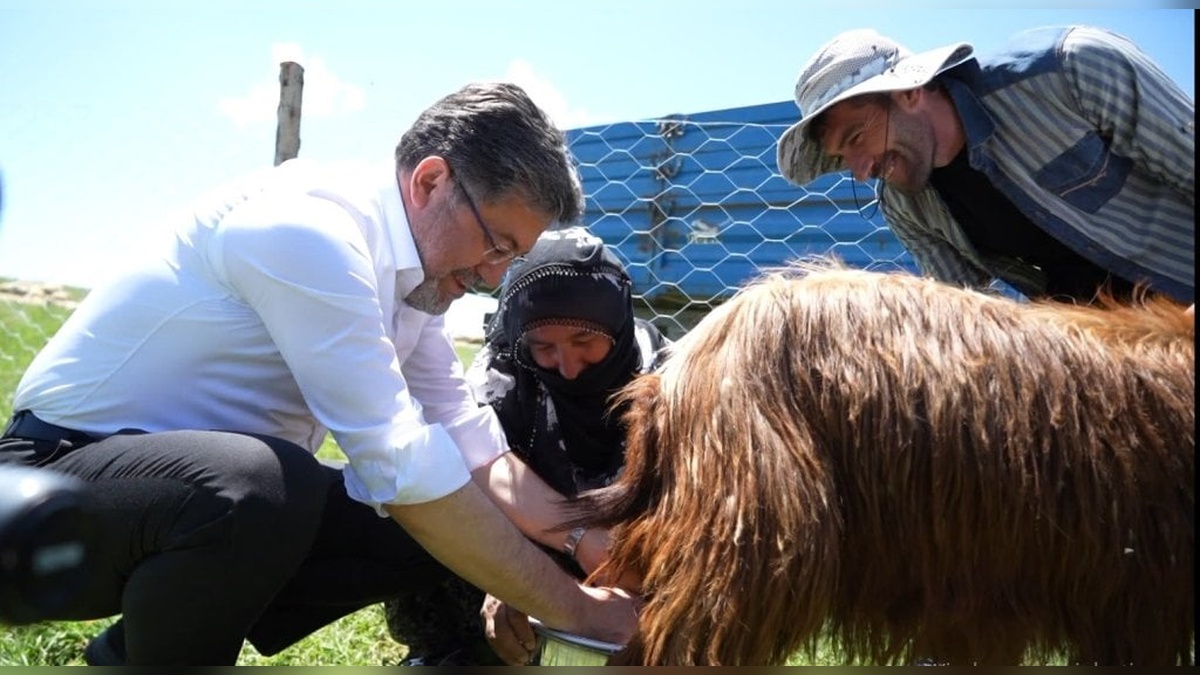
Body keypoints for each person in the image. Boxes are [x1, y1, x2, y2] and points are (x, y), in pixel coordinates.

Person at [0, 82, 638, 665]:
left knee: (440, 521)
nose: (495, 277)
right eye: (495, 244)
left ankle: (135, 646)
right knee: (260, 485)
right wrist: (582, 613)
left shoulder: (415, 285)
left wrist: (587, 539)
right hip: (51, 494)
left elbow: (467, 443)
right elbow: (400, 466)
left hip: (175, 503)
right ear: (431, 181)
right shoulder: (309, 232)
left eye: (513, 256)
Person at [383, 225, 671, 665]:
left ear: (617, 325)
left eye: (585, 342)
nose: (568, 367)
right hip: (528, 553)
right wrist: (514, 580)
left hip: (640, 571)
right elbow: (472, 486)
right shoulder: (502, 381)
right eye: (543, 347)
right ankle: (447, 653)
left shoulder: (668, 386)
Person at [775, 26, 1195, 306]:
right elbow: (969, 314)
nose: (861, 170)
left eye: (856, 138)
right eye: (842, 157)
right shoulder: (905, 206)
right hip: (1106, 358)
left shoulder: (1071, 73)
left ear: (909, 92)